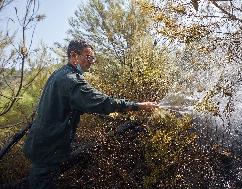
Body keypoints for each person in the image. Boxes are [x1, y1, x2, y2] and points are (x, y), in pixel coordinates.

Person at [23, 40, 157, 189]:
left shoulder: (60, 74)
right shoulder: (71, 80)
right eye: (88, 57)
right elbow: (104, 103)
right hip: (48, 149)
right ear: (74, 55)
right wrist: (139, 106)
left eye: (93, 58)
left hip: (42, 144)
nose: (91, 62)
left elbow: (75, 105)